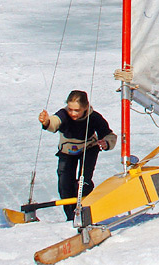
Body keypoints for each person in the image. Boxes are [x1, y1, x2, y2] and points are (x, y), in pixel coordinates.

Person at [38, 90, 117, 220]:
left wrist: (106, 143)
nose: (73, 113)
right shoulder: (63, 114)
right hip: (67, 151)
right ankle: (71, 217)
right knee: (65, 185)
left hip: (88, 149)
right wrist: (46, 121)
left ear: (85, 108)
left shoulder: (94, 117)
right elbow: (54, 122)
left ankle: (84, 212)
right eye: (70, 109)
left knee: (83, 183)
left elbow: (110, 135)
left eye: (77, 110)